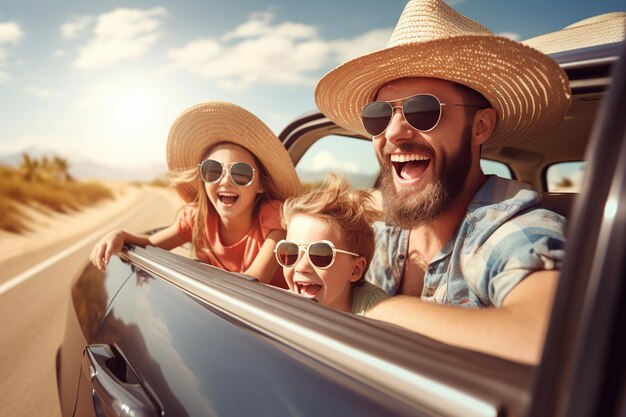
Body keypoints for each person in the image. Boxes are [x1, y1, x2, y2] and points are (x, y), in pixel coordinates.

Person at [314, 0, 571, 364]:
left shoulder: (506, 228)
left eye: (423, 111)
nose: (394, 132)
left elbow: (556, 337)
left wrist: (386, 314)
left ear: (480, 126)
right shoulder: (387, 227)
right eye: (378, 116)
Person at [90, 101, 301, 287]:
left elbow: (254, 280)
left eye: (241, 173)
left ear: (260, 186)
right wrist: (122, 235)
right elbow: (153, 244)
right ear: (203, 177)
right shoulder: (196, 218)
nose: (225, 180)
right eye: (213, 170)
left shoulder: (273, 218)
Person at [275, 174, 387, 315]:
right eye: (291, 252)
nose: (301, 267)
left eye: (320, 254)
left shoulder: (374, 308)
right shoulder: (284, 306)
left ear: (355, 270)